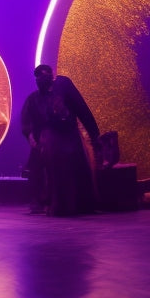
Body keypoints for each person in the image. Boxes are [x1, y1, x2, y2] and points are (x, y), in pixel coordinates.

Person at [20, 64, 100, 216]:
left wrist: (94, 135)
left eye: (43, 75)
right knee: (51, 168)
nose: (40, 79)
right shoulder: (33, 99)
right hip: (48, 141)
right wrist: (31, 136)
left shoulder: (63, 87)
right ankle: (50, 202)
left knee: (74, 167)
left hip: (68, 136)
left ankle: (79, 204)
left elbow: (82, 111)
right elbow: (27, 122)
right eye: (38, 77)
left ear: (51, 75)